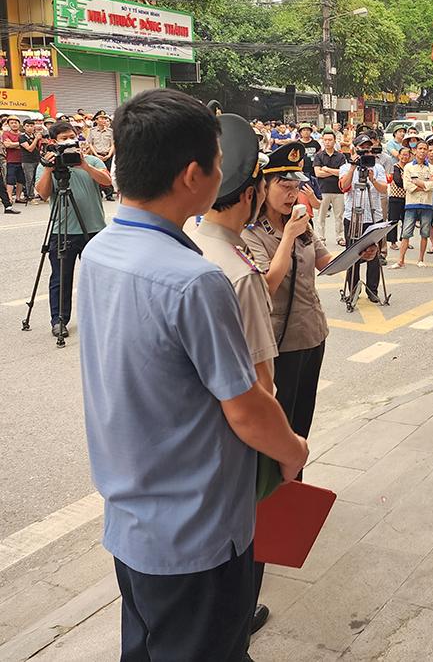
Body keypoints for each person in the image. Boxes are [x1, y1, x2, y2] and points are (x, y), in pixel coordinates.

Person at [78, 89, 307, 661]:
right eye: (218, 161)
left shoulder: (99, 252)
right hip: (197, 535)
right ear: (191, 176)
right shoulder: (194, 280)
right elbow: (248, 407)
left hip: (131, 521)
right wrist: (293, 448)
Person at [187, 113, 281, 638]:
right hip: (230, 457)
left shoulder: (191, 246)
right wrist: (288, 449)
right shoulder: (239, 273)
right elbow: (260, 387)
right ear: (248, 196)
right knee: (240, 567)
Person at [243, 141, 333, 441]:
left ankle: (297, 484)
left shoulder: (300, 224)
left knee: (303, 420)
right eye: (284, 186)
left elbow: (325, 263)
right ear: (264, 187)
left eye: (297, 186)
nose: (293, 194)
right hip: (281, 341)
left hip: (312, 333)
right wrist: (288, 237)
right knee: (282, 425)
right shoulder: (251, 232)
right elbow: (267, 283)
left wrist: (362, 252)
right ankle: (280, 485)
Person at [35, 121, 112, 338]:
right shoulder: (47, 165)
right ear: (53, 142)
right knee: (61, 278)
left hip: (94, 229)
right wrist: (49, 168)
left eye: (72, 136)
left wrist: (85, 166)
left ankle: (103, 317)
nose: (69, 141)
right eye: (63, 138)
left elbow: (107, 182)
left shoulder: (92, 160)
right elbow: (42, 194)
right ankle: (59, 319)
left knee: (99, 277)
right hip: (63, 230)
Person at [338, 134, 389, 302]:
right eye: (362, 149)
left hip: (373, 217)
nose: (365, 153)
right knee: (352, 255)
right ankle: (352, 290)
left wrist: (373, 179)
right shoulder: (346, 167)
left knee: (374, 256)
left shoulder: (378, 168)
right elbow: (344, 186)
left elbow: (383, 190)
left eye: (368, 149)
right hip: (353, 217)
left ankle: (373, 291)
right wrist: (353, 166)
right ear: (355, 149)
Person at [396, 141, 433, 268]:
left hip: (426, 204)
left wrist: (418, 183)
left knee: (425, 232)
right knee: (406, 233)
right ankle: (400, 260)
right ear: (415, 151)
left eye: (425, 149)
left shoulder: (431, 168)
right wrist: (424, 185)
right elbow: (407, 185)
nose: (423, 151)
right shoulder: (408, 167)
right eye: (420, 148)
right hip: (411, 204)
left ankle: (421, 259)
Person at [314, 130, 346, 245]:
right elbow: (318, 173)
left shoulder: (341, 156)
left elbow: (342, 173)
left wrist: (327, 169)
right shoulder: (318, 156)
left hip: (339, 190)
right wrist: (334, 172)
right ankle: (321, 238)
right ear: (322, 140)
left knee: (339, 216)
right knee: (321, 216)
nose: (327, 142)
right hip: (323, 190)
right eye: (325, 140)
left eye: (330, 140)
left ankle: (340, 236)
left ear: (334, 141)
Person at [86, 112, 116, 200]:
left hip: (107, 154)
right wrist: (96, 154)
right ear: (96, 120)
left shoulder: (110, 131)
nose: (104, 120)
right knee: (97, 173)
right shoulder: (92, 131)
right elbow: (90, 144)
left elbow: (113, 144)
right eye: (101, 118)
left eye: (105, 118)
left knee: (108, 174)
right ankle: (99, 193)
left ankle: (109, 194)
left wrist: (109, 154)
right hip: (96, 155)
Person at [387, 146, 411, 251]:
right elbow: (398, 181)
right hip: (395, 197)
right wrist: (410, 183)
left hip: (408, 198)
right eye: (402, 155)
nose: (404, 157)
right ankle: (393, 242)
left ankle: (405, 241)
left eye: (407, 155)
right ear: (399, 155)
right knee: (393, 220)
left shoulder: (410, 168)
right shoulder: (395, 167)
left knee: (407, 221)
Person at [19, 121, 43, 203]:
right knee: (29, 179)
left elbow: (39, 148)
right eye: (28, 126)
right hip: (27, 161)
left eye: (32, 126)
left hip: (37, 159)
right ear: (24, 127)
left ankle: (41, 194)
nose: (30, 127)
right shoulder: (22, 137)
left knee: (38, 178)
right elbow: (29, 149)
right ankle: (30, 196)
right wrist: (36, 139)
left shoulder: (35, 136)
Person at [296, 123, 322, 198]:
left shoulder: (315, 143)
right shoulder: (298, 143)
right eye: (304, 130)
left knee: (317, 183)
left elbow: (319, 153)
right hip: (303, 168)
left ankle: (318, 198)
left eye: (308, 130)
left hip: (314, 167)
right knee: (306, 185)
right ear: (300, 132)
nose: (306, 132)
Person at [3, 117, 25, 203]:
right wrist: (21, 144)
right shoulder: (6, 134)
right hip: (11, 160)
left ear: (19, 124)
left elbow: (27, 145)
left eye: (16, 122)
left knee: (21, 180)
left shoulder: (22, 134)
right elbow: (7, 145)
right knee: (10, 179)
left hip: (22, 160)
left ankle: (18, 198)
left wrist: (13, 144)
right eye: (12, 123)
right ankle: (9, 198)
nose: (14, 124)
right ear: (8, 125)